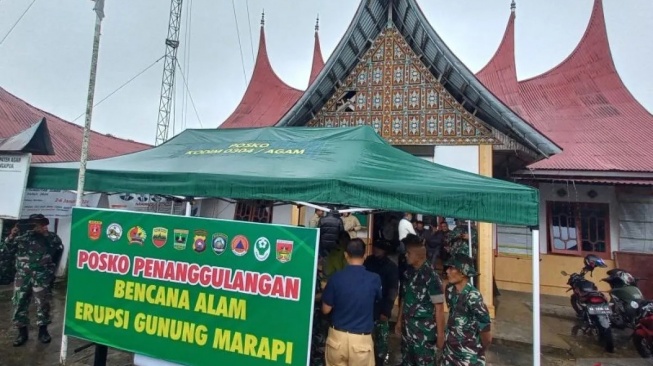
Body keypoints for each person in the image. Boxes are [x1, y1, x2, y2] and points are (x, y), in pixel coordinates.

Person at [2, 214, 61, 346]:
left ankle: (43, 331)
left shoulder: (49, 237)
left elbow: (57, 245)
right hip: (23, 276)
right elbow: (5, 250)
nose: (35, 226)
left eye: (39, 224)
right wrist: (12, 235)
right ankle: (22, 333)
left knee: (43, 303)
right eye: (33, 224)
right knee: (19, 303)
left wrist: (44, 233)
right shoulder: (22, 237)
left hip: (41, 275)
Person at [322, 238, 381, 366]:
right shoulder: (375, 279)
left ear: (345, 255)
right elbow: (377, 304)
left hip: (337, 339)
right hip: (361, 341)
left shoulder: (336, 278)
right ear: (365, 255)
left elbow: (326, 309)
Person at [395, 234, 446, 365]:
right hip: (408, 332)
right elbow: (405, 299)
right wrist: (399, 321)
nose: (406, 255)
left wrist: (440, 335)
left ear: (419, 256)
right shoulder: (409, 273)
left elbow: (439, 308)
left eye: (409, 253)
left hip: (424, 335)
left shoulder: (432, 277)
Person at [443, 255, 492, 366]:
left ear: (462, 272)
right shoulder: (450, 290)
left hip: (468, 357)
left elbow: (486, 335)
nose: (447, 271)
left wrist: (476, 351)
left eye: (452, 268)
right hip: (450, 353)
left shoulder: (473, 297)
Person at [363, 239, 398, 365]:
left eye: (379, 248)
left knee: (381, 340)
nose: (376, 250)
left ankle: (380, 361)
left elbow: (393, 290)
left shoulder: (391, 267)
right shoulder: (369, 261)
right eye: (375, 247)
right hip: (367, 306)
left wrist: (387, 309)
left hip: (382, 307)